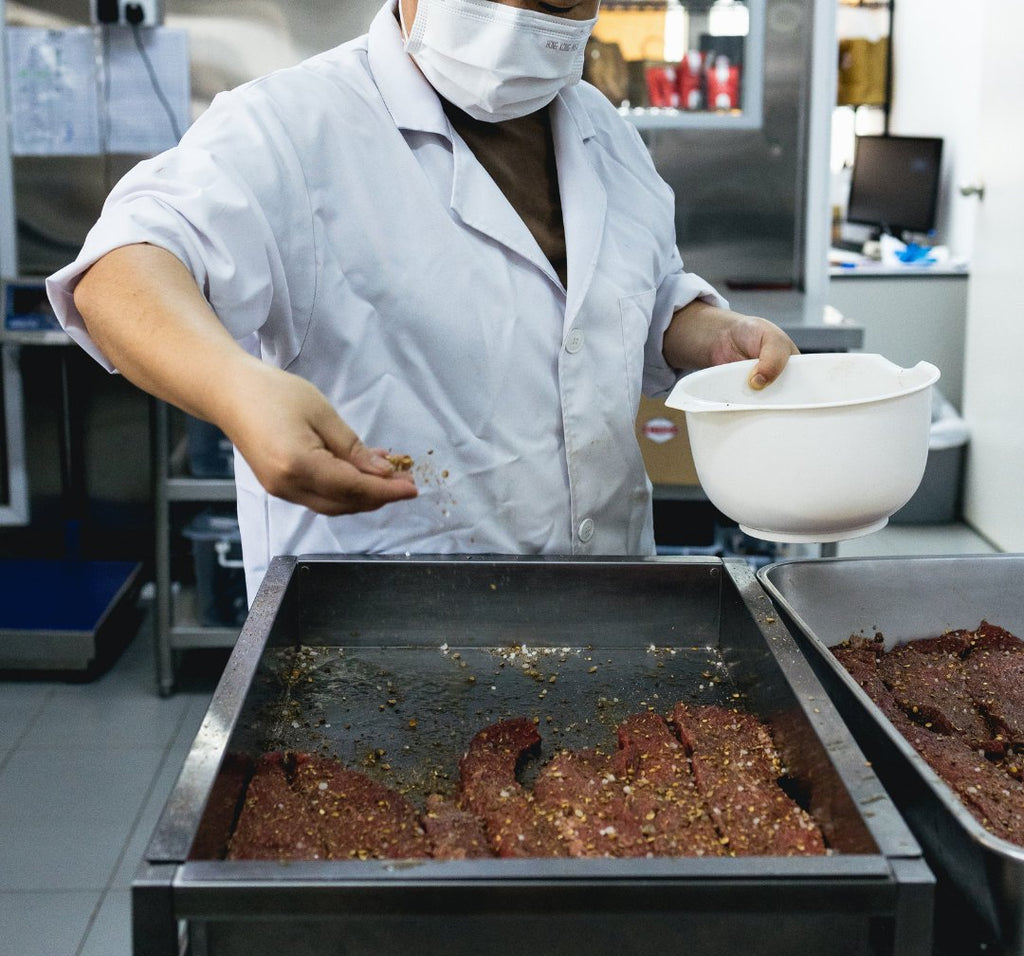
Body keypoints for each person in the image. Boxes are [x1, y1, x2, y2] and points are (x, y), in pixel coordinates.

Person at [46, 0, 798, 601]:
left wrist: (706, 331)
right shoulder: (290, 123)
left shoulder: (605, 131)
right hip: (384, 629)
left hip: (605, 609)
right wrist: (235, 385)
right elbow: (121, 269)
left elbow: (641, 287)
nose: (517, 13)